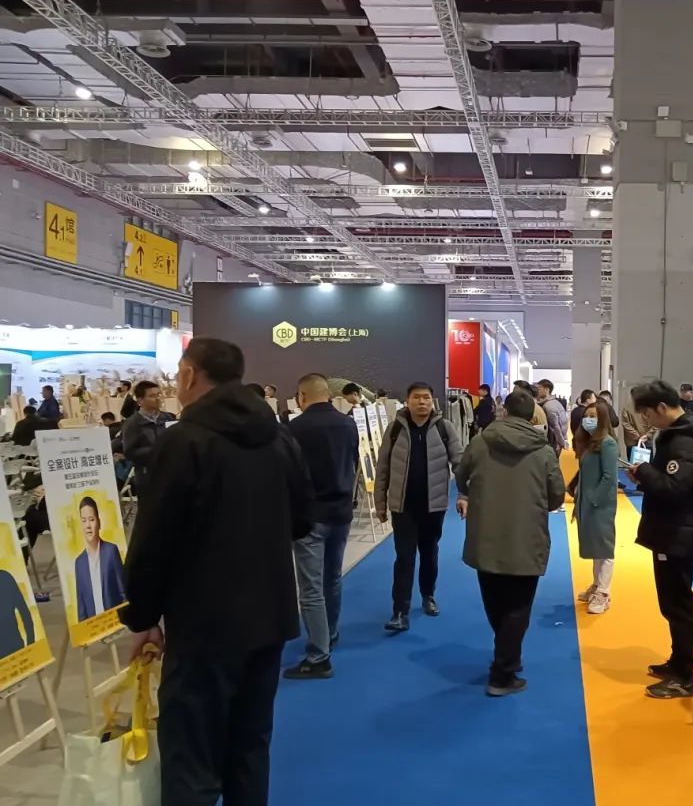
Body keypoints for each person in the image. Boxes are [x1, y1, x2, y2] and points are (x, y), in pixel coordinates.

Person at [120, 337, 313, 806]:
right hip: (269, 616)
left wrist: (142, 616)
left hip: (203, 624)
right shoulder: (278, 438)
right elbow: (304, 519)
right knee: (250, 747)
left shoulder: (183, 441)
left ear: (189, 375)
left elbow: (153, 539)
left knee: (191, 755)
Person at [455, 390, 565, 696]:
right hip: (526, 537)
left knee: (495, 602)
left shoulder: (480, 442)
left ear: (504, 411)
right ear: (532, 417)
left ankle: (506, 655)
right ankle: (502, 673)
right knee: (518, 606)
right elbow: (556, 495)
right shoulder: (543, 451)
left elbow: (461, 477)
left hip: (485, 535)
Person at [625, 380, 693, 699]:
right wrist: (646, 475)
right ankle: (678, 662)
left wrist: (646, 472)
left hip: (677, 533)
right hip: (670, 530)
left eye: (648, 414)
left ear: (662, 407)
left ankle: (684, 677)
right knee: (673, 603)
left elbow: (676, 489)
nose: (647, 421)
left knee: (678, 605)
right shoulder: (677, 437)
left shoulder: (685, 443)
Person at [284, 373, 360, 681]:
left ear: (301, 396)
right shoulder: (348, 424)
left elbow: (289, 475)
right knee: (332, 578)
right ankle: (330, 633)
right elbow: (353, 464)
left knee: (311, 587)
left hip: (310, 516)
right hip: (341, 512)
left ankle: (318, 655)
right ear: (328, 394)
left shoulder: (294, 429)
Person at [375, 382, 463, 632]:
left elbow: (460, 462)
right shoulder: (395, 429)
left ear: (432, 401)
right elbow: (383, 468)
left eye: (426, 398)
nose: (421, 402)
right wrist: (380, 502)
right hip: (402, 506)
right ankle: (399, 611)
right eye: (416, 397)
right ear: (407, 400)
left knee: (429, 552)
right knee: (404, 557)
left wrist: (464, 494)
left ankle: (427, 595)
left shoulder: (444, 428)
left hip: (433, 506)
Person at [572, 402, 618, 614]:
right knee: (594, 546)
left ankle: (604, 592)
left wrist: (595, 499)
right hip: (586, 503)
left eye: (594, 416)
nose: (588, 420)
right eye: (586, 415)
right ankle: (597, 584)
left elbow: (609, 477)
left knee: (604, 547)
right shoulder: (589, 444)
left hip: (601, 505)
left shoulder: (608, 444)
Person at [73, 497, 126, 621]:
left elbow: (123, 591)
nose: (88, 525)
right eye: (84, 521)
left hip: (115, 623)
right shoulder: (79, 563)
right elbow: (81, 605)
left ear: (99, 523)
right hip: (94, 626)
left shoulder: (111, 551)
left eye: (91, 519)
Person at [119, 381, 177, 492]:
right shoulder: (132, 424)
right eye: (152, 396)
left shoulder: (168, 418)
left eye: (159, 394)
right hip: (148, 478)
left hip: (171, 475)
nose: (158, 398)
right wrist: (157, 450)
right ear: (140, 400)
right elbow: (129, 452)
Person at [0, 568, 35, 656]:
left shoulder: (5, 578)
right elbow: (24, 611)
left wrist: (31, 643)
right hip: (14, 645)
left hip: (14, 646)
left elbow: (24, 611)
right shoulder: (5, 577)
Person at [537, 379, 568, 455]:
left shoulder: (548, 406)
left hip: (553, 443)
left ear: (547, 390)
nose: (537, 391)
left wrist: (561, 442)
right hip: (557, 442)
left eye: (539, 388)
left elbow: (555, 427)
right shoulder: (556, 402)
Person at [620, 395, 654, 461]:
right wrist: (647, 435)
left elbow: (625, 424)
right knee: (648, 465)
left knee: (634, 464)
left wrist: (636, 435)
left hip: (632, 442)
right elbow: (655, 424)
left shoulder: (627, 408)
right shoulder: (651, 407)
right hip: (647, 442)